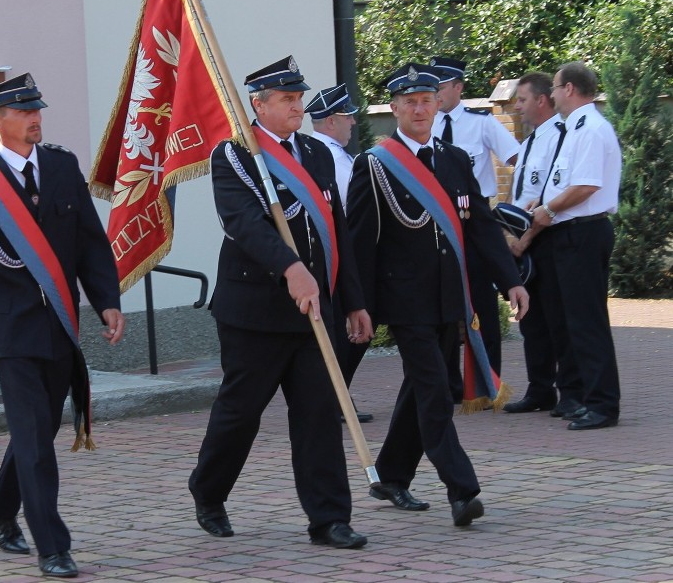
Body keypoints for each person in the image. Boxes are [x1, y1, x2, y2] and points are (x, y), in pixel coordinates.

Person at [0, 73, 125, 578]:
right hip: (10, 333)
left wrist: (106, 300)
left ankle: (1, 507)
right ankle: (53, 546)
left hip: (60, 324)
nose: (35, 118)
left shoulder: (63, 167)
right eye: (24, 112)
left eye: (37, 110)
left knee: (38, 433)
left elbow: (90, 241)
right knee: (31, 436)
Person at [188, 56, 373, 549]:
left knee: (317, 414)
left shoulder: (314, 153)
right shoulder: (233, 154)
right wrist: (291, 268)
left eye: (298, 98)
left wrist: (352, 299)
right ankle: (209, 491)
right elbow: (242, 223)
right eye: (286, 100)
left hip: (316, 309)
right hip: (256, 313)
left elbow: (336, 233)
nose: (297, 106)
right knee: (241, 411)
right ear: (259, 105)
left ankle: (329, 518)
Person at [346, 62, 528, 526]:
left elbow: (481, 229)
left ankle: (390, 474)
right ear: (395, 108)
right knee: (433, 392)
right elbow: (360, 242)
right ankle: (461, 490)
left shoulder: (453, 159)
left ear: (438, 102)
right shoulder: (375, 164)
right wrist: (356, 303)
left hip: (452, 297)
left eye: (427, 100)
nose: (420, 108)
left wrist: (511, 280)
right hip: (404, 301)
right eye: (410, 102)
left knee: (425, 388)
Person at [512, 62, 622, 430]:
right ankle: (585, 398)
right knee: (573, 323)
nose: (554, 94)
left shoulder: (589, 129)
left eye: (557, 88)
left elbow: (585, 186)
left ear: (570, 89)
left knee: (587, 323)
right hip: (569, 232)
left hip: (583, 232)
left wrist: (547, 209)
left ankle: (602, 405)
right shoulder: (575, 129)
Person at [431, 56, 521, 390]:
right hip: (435, 222)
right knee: (442, 306)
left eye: (440, 87)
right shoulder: (427, 125)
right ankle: (448, 382)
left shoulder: (481, 123)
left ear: (458, 87)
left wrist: (516, 206)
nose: (435, 94)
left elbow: (518, 160)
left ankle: (485, 380)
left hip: (474, 220)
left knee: (481, 302)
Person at [502, 72, 579, 415]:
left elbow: (552, 195)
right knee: (530, 317)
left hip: (546, 236)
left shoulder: (558, 137)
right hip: (521, 239)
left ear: (542, 100)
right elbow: (518, 192)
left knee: (557, 318)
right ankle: (540, 388)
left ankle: (571, 392)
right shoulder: (531, 141)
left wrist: (527, 236)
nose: (516, 107)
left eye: (522, 100)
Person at [305, 83, 372, 423]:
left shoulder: (328, 152)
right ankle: (335, 398)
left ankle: (337, 397)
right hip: (339, 258)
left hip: (338, 255)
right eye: (348, 117)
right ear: (331, 121)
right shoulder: (328, 156)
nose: (353, 123)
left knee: (353, 329)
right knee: (354, 329)